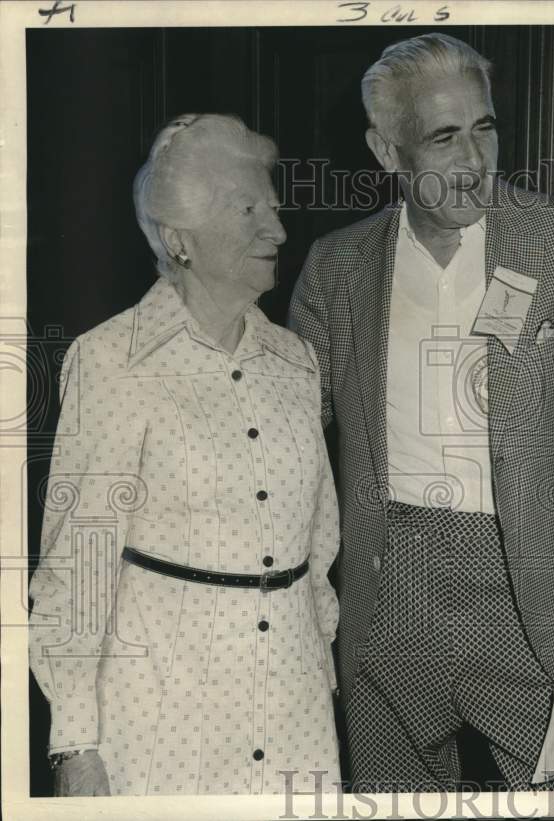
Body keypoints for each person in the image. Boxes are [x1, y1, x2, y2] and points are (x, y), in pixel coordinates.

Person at [289, 33, 554, 791]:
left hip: (534, 587)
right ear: (388, 152)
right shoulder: (336, 266)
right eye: (444, 137)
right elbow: (286, 438)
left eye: (484, 128)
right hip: (390, 584)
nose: (474, 160)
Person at [28, 114, 342, 795]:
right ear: (179, 238)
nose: (279, 231)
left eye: (276, 208)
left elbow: (318, 544)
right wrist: (76, 743)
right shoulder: (114, 360)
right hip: (163, 716)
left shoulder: (296, 361)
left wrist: (321, 669)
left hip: (293, 713)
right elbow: (77, 569)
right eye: (249, 210)